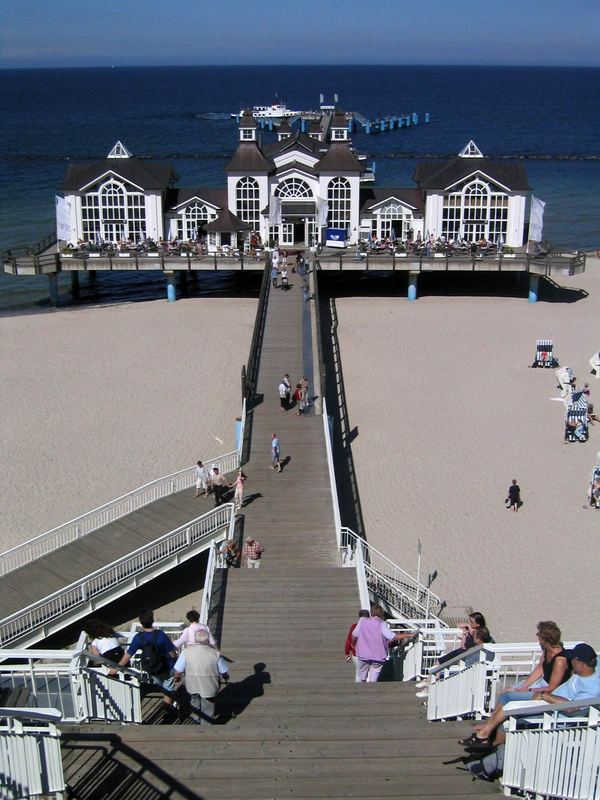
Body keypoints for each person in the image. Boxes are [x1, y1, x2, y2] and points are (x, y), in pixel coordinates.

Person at [461, 643, 600, 752]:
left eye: (573, 660)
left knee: (508, 716)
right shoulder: (593, 666)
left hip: (553, 712)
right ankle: (486, 732)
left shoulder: (592, 689)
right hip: (547, 700)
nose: (571, 662)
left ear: (581, 663)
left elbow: (571, 708)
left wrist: (545, 695)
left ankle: (494, 749)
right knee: (507, 696)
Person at [459, 620, 572, 747]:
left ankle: (485, 733)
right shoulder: (547, 650)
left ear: (545, 638)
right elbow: (540, 668)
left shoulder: (560, 660)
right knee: (506, 691)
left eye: (538, 634)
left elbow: (552, 687)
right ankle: (490, 724)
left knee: (508, 696)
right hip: (540, 685)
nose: (537, 636)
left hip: (548, 693)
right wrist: (524, 686)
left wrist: (526, 691)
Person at [118, 609, 177, 716]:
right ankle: (167, 710)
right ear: (152, 620)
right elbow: (172, 653)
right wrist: (176, 661)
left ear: (141, 622)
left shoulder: (138, 638)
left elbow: (128, 655)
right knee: (168, 686)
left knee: (163, 685)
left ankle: (167, 703)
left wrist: (117, 668)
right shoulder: (160, 635)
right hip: (166, 666)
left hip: (151, 669)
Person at [352, 604, 417, 683]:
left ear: (371, 613)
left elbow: (354, 634)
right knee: (374, 675)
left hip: (363, 654)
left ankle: (362, 685)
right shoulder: (382, 624)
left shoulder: (363, 621)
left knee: (362, 674)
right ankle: (371, 688)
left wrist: (354, 643)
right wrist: (409, 634)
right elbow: (392, 636)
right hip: (378, 655)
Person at [173, 629, 223, 724]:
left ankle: (196, 721)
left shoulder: (186, 652)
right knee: (208, 707)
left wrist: (176, 678)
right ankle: (206, 727)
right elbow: (223, 671)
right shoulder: (216, 653)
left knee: (194, 703)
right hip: (210, 686)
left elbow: (178, 671)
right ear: (207, 640)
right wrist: (225, 675)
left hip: (193, 684)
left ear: (195, 640)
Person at [345, 610, 370, 682]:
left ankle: (359, 688)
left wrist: (347, 653)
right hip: (370, 653)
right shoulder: (372, 627)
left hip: (356, 653)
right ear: (369, 617)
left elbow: (349, 640)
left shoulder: (354, 626)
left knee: (359, 673)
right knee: (367, 673)